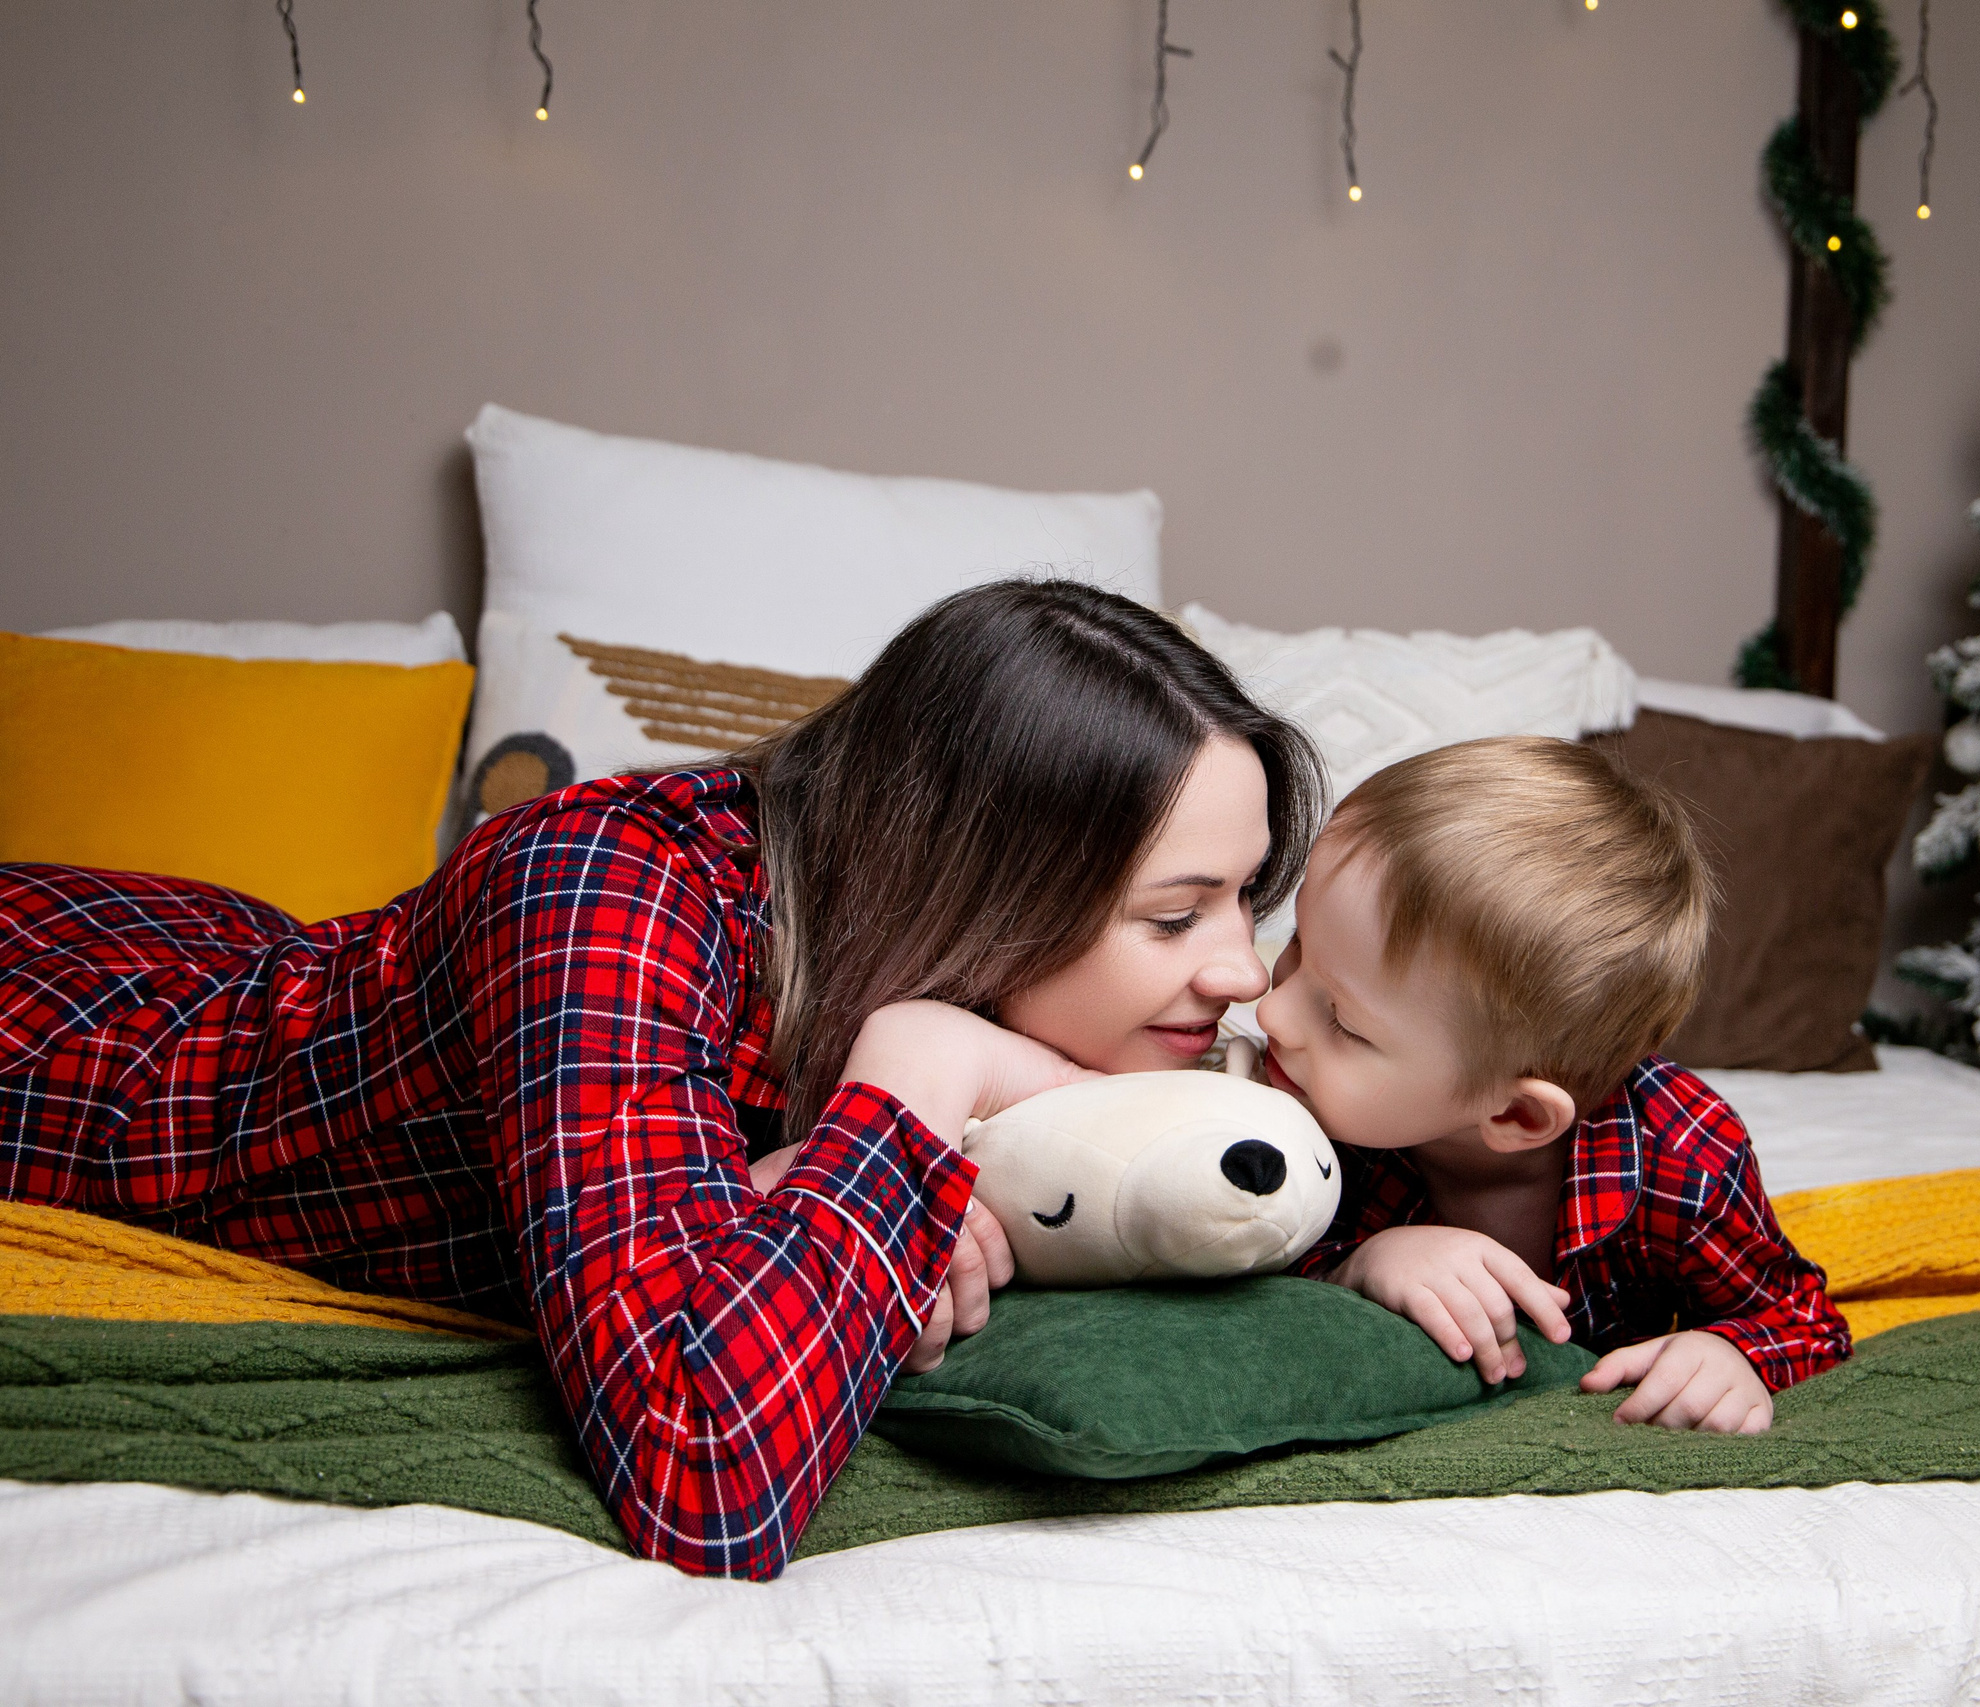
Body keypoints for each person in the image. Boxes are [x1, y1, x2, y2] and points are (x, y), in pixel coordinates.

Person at [0, 579, 1322, 1579]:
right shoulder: (602, 883)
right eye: (1173, 917)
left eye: (1242, 903)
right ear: (975, 890)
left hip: (259, 935)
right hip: (76, 1034)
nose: (1243, 974)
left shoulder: (1081, 1002)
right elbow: (703, 1470)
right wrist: (932, 1061)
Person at [1252, 736, 1850, 1434]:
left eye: (1344, 1022)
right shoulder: (1287, 1108)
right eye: (1294, 948)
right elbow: (1215, 1267)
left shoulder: (1685, 1155)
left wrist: (1729, 1352)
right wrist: (1355, 1265)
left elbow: (1801, 1318)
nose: (1271, 1011)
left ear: (1515, 1112)